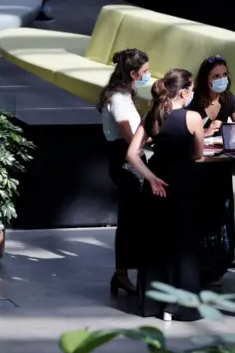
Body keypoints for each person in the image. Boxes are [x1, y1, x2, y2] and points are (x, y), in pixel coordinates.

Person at [126, 69, 206, 321]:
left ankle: (155, 304)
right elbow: (197, 154)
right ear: (184, 92)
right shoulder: (193, 117)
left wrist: (149, 177)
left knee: (156, 241)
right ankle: (179, 305)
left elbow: (131, 154)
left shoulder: (153, 115)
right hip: (183, 184)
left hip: (157, 184)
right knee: (182, 244)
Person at [96, 48, 151, 296]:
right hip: (124, 162)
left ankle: (125, 272)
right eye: (145, 71)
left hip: (128, 159)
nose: (148, 75)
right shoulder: (118, 98)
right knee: (130, 219)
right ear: (132, 72)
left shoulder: (126, 95)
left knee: (133, 219)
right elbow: (128, 132)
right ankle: (123, 273)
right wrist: (146, 142)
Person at [189, 55, 235, 286]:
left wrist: (231, 127)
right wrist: (207, 127)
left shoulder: (229, 98)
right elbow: (188, 128)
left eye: (224, 75)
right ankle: (198, 264)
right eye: (216, 76)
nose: (221, 80)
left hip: (220, 167)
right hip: (199, 166)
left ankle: (218, 265)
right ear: (206, 79)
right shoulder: (194, 100)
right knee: (200, 216)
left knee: (220, 216)